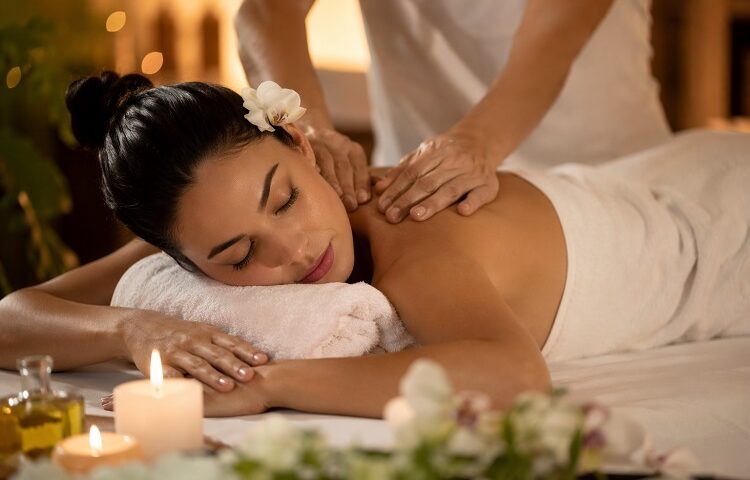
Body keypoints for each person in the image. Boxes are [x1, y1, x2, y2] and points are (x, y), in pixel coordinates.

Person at [0, 73, 747, 419]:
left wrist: (270, 384)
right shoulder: (205, 224)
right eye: (237, 258)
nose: (294, 250)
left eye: (286, 197)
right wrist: (131, 328)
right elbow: (12, 317)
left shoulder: (411, 230)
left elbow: (514, 375)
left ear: (300, 141)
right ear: (180, 261)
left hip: (717, 228)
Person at [235, 0, 672, 223]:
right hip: (414, 187)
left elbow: (558, 30)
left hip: (608, 176)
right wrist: (307, 129)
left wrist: (474, 144)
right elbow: (265, 12)